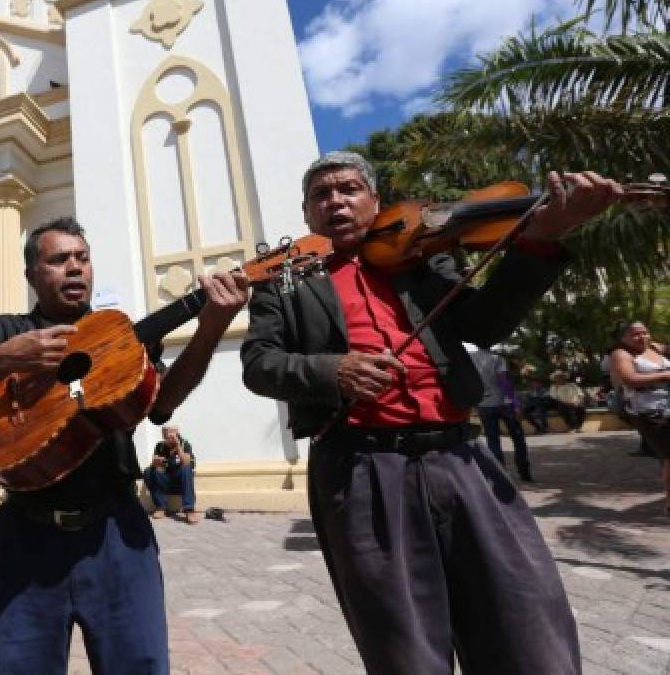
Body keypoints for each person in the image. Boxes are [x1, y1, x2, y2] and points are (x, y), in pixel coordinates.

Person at [241, 151, 620, 674]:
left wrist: (543, 236)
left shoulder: (423, 257)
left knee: (527, 622)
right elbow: (259, 364)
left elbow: (486, 324)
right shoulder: (284, 281)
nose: (336, 201)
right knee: (405, 646)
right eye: (321, 195)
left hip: (459, 457)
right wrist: (334, 371)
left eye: (349, 189)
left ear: (375, 201)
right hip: (360, 468)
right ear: (308, 215)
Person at [0, 216, 249, 674]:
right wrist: (4, 358)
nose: (75, 268)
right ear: (31, 276)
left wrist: (211, 328)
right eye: (59, 259)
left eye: (82, 258)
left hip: (116, 535)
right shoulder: (3, 331)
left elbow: (161, 404)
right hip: (25, 535)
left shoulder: (120, 335)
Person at [608, 321, 670, 514]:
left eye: (645, 332)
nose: (642, 337)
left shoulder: (654, 348)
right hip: (648, 413)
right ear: (624, 338)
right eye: (635, 334)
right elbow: (630, 379)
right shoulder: (621, 354)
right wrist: (666, 375)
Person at [467, 345, 532, 482]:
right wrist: (516, 403)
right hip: (504, 403)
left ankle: (500, 474)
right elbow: (503, 381)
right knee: (518, 437)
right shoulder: (497, 358)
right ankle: (524, 471)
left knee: (493, 439)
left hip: (484, 404)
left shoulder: (471, 359)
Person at [143, 425, 199, 522]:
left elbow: (187, 463)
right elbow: (154, 465)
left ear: (177, 435)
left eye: (172, 436)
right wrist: (155, 462)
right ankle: (160, 507)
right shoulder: (160, 446)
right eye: (166, 437)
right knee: (148, 471)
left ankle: (189, 509)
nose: (169, 439)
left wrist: (178, 446)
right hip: (166, 482)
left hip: (181, 483)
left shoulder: (184, 444)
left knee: (186, 468)